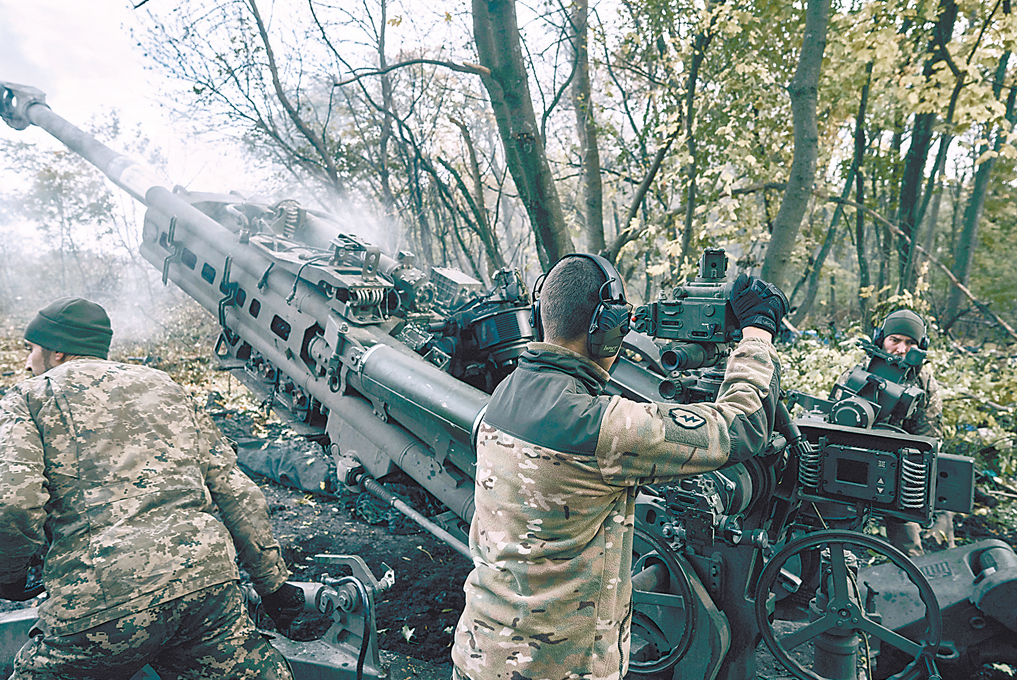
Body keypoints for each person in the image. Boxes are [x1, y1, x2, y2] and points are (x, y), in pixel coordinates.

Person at [451, 254, 787, 680]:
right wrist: (757, 333)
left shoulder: (507, 392)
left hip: (478, 653)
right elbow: (738, 428)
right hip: (556, 669)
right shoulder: (598, 427)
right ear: (605, 330)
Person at [0, 297, 305, 679]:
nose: (28, 362)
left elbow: (13, 503)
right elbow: (236, 494)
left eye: (31, 349)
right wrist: (273, 584)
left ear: (57, 350)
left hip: (102, 604)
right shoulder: (166, 386)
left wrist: (8, 576)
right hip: (207, 590)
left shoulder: (28, 397)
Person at [830, 309, 948, 556]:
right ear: (880, 339)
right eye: (895, 340)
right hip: (855, 460)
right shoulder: (859, 373)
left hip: (902, 464)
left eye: (910, 343)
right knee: (837, 537)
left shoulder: (924, 381)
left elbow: (929, 434)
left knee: (909, 542)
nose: (901, 349)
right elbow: (835, 422)